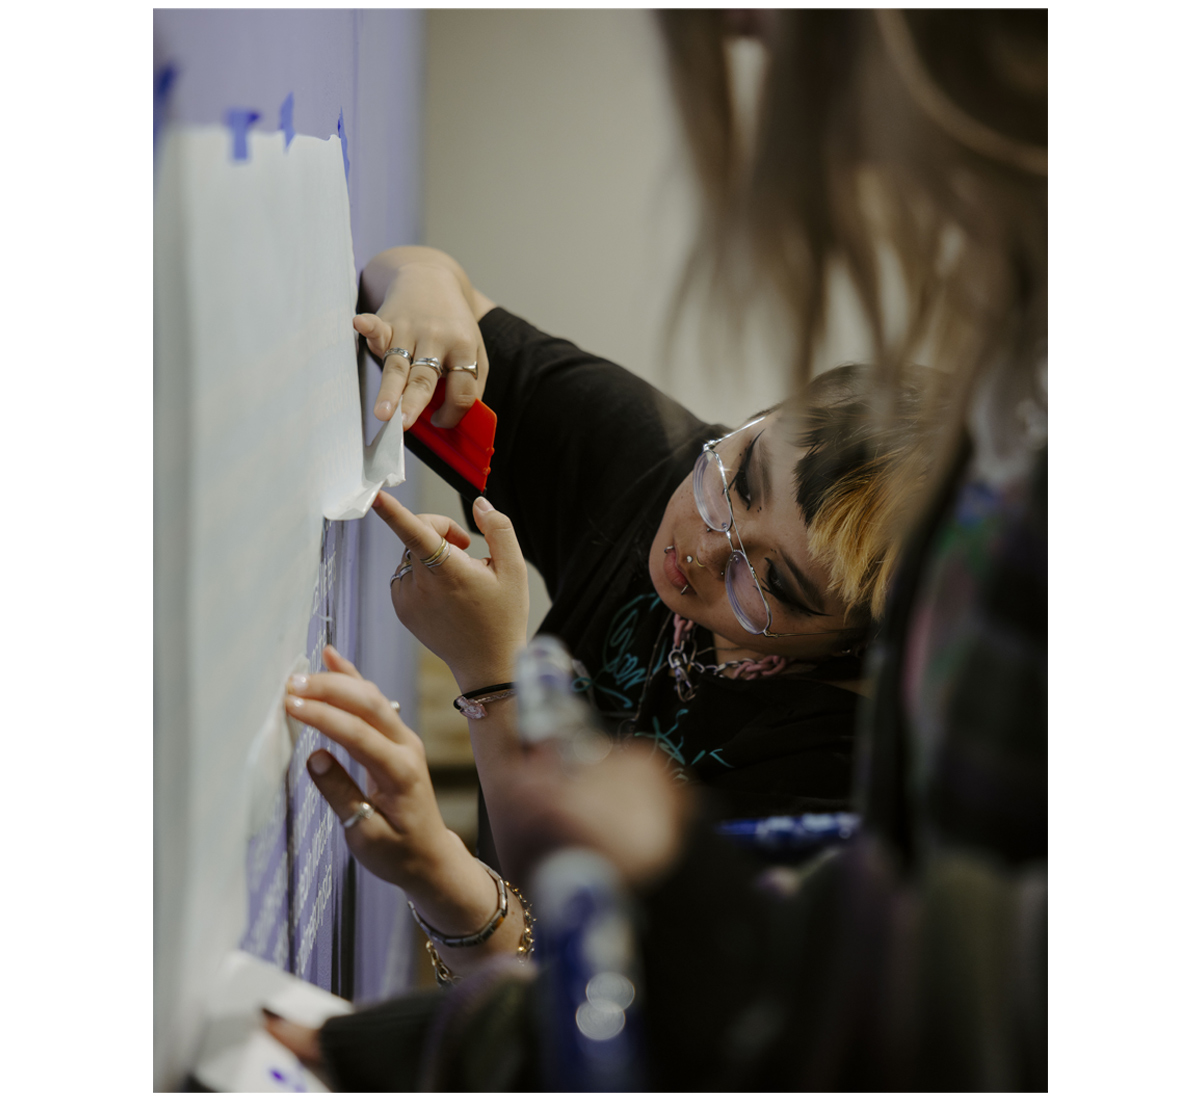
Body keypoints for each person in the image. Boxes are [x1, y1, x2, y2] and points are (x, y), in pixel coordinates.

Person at [274, 8, 1046, 1090]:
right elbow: (432, 290)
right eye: (741, 475)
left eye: (769, 580)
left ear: (854, 642)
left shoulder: (833, 764)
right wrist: (421, 298)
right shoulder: (650, 466)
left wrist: (491, 685)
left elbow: (657, 1011)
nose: (704, 545)